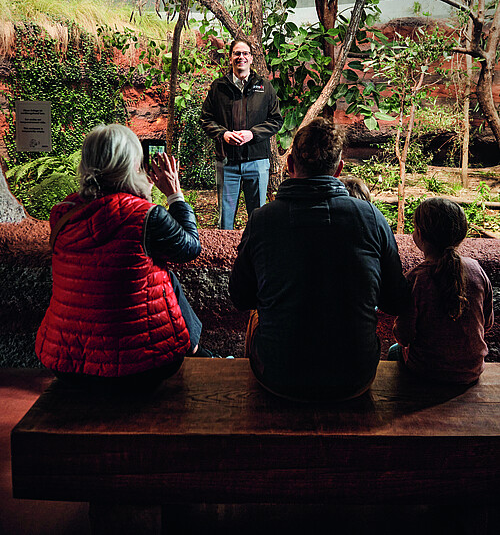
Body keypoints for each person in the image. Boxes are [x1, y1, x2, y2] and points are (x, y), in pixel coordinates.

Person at [229, 118, 410, 402]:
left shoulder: (262, 220)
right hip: (355, 376)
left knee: (256, 316)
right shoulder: (370, 218)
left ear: (289, 164)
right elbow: (396, 300)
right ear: (338, 169)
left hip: (279, 377)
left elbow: (240, 297)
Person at [36, 123, 216, 391]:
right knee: (163, 276)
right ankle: (200, 352)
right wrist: (174, 194)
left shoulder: (62, 214)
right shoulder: (147, 216)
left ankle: (200, 351)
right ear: (133, 163)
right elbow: (189, 247)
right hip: (143, 367)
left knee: (151, 273)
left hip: (65, 364)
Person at [389, 197, 494, 384]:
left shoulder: (415, 278)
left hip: (426, 370)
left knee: (393, 351)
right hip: (471, 370)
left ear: (419, 234)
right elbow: (487, 324)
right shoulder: (476, 269)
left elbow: (404, 336)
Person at [200, 38, 283, 230]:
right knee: (225, 220)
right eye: (237, 53)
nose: (241, 57)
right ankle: (225, 258)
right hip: (227, 162)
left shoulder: (264, 87)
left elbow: (276, 120)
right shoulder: (218, 87)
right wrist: (223, 134)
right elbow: (206, 119)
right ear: (230, 58)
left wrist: (252, 134)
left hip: (257, 162)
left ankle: (256, 257)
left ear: (251, 58)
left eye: (245, 53)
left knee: (259, 219)